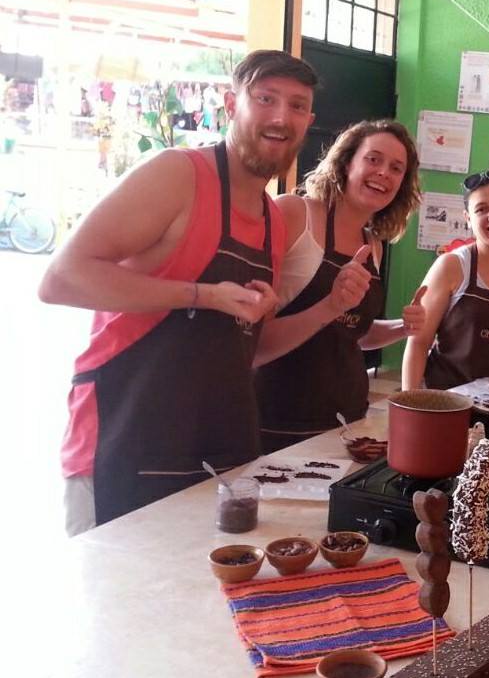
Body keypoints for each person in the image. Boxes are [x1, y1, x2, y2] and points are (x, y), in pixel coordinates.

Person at [39, 49, 318, 534]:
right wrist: (202, 295)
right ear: (232, 106)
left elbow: (249, 352)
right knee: (112, 608)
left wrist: (292, 310)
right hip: (125, 448)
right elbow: (61, 278)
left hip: (217, 456)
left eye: (296, 105)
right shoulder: (178, 175)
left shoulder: (274, 218)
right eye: (265, 99)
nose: (280, 116)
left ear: (309, 121)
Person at [253, 119, 424, 453]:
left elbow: (350, 333)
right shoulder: (293, 214)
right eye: (373, 159)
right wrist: (329, 305)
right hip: (275, 421)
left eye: (396, 168)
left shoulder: (372, 244)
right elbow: (254, 343)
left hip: (346, 422)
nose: (383, 173)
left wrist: (402, 328)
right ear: (347, 162)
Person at [402, 169, 489, 390]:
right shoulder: (451, 266)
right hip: (443, 401)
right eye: (481, 209)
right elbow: (418, 343)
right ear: (468, 218)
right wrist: (410, 404)